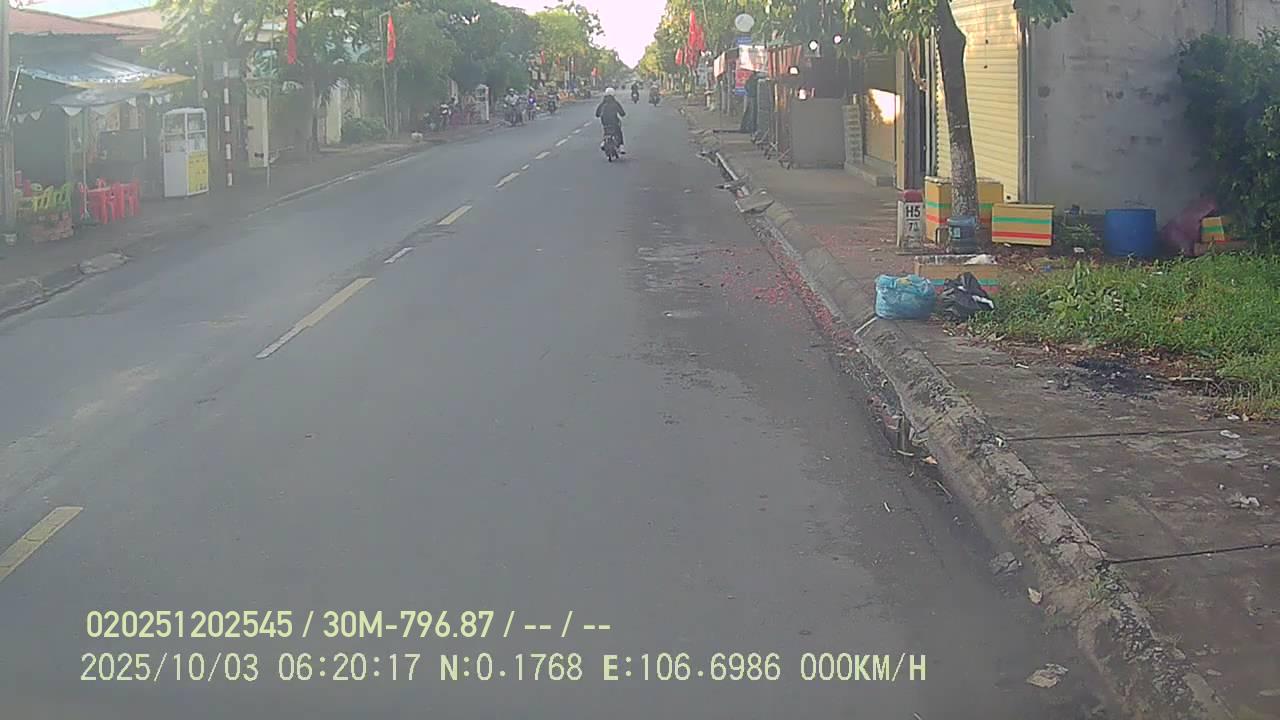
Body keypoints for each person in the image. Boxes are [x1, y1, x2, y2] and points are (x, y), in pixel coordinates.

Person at [595, 88, 626, 153]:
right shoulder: (615, 103)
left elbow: (597, 114)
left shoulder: (602, 103)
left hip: (604, 121)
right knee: (618, 131)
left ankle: (604, 142)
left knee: (606, 131)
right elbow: (622, 113)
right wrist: (622, 114)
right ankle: (621, 146)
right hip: (614, 121)